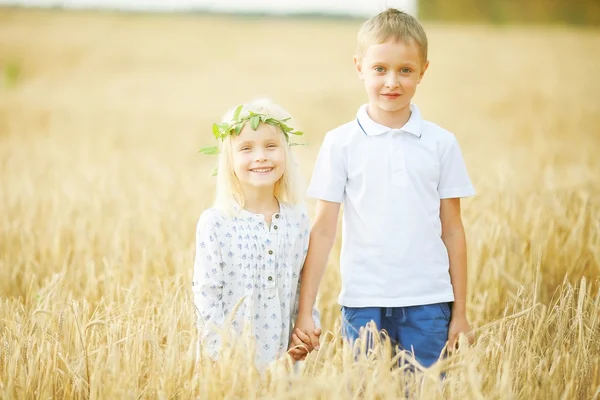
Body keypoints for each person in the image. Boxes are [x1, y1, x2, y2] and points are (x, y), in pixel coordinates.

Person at [289, 8, 476, 368]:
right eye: (380, 69)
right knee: (365, 389)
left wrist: (460, 313)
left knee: (425, 390)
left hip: (429, 301)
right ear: (359, 67)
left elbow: (453, 230)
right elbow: (324, 230)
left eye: (405, 70)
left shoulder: (441, 143)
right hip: (362, 301)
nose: (392, 81)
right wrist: (305, 311)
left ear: (423, 71)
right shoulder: (340, 142)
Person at [192, 98, 320, 369]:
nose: (260, 156)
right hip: (230, 365)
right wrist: (222, 358)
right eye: (246, 149)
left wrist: (305, 333)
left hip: (285, 364)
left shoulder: (297, 218)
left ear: (286, 152)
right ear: (229, 160)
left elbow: (302, 284)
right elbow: (207, 296)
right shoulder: (216, 223)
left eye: (271, 146)